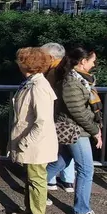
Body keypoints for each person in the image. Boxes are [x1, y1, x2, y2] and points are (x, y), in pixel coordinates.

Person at [46, 47, 107, 214]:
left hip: (74, 129)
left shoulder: (76, 79)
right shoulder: (72, 82)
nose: (94, 64)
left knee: (60, 162)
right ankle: (82, 211)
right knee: (86, 169)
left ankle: (35, 189)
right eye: (92, 60)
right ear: (82, 61)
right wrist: (95, 130)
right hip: (75, 131)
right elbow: (78, 112)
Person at [9, 48, 57, 214]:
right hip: (33, 142)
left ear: (26, 64)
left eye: (20, 60)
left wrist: (25, 141)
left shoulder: (38, 87)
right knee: (31, 178)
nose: (17, 63)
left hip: (36, 144)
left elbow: (42, 121)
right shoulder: (33, 82)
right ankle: (30, 212)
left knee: (36, 180)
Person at [41, 42, 74, 193]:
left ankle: (50, 180)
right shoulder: (68, 69)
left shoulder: (53, 72)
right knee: (67, 148)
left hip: (57, 116)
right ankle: (67, 180)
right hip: (68, 117)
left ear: (51, 57)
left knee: (57, 148)